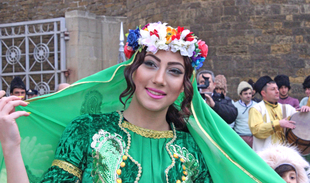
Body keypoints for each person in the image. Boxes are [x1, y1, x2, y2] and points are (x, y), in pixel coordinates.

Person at [0, 22, 286, 183]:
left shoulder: (193, 150)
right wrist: (11, 148)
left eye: (174, 71)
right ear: (131, 71)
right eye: (150, 64)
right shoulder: (86, 132)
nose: (160, 79)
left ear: (185, 85)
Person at [248, 76, 310, 152]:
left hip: (283, 156)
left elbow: (302, 122)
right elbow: (256, 131)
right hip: (264, 157)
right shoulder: (256, 109)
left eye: (277, 88)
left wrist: (306, 111)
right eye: (273, 89)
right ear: (263, 93)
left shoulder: (287, 108)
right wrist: (278, 123)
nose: (277, 91)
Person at [233, 81, 257, 147]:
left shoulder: (257, 106)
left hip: (254, 138)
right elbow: (231, 123)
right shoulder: (234, 106)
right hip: (239, 137)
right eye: (245, 94)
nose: (248, 96)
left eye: (250, 93)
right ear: (240, 95)